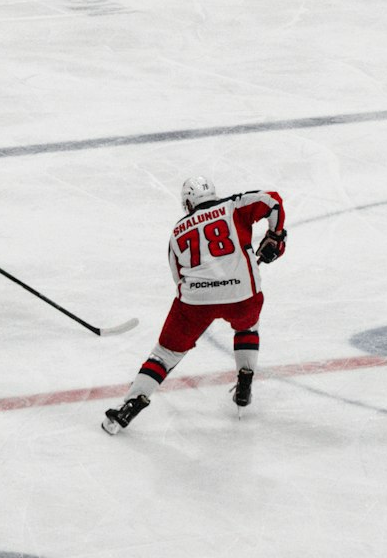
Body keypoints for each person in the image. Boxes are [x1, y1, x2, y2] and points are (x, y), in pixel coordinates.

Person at [102, 176, 286, 433]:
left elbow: (178, 279)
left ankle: (129, 407)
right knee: (247, 328)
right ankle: (245, 380)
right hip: (243, 294)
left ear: (188, 203)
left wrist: (200, 297)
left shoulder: (177, 231)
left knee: (164, 355)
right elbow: (272, 201)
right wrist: (276, 237)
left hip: (196, 302)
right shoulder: (234, 206)